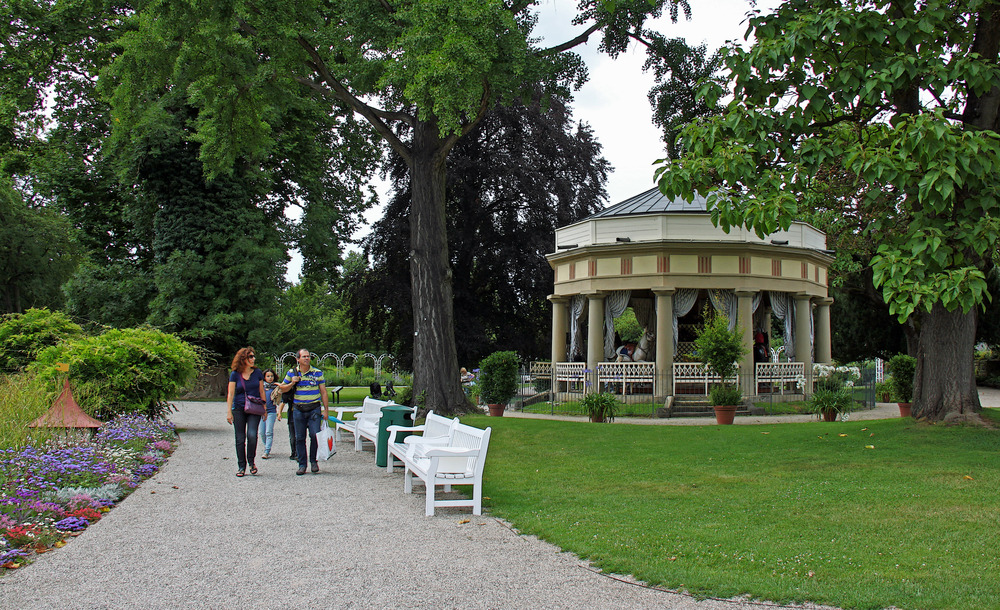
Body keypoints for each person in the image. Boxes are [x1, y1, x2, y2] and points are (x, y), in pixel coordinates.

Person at [278, 349, 329, 475]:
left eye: (308, 356)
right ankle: (302, 464)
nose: (306, 358)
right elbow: (282, 388)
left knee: (314, 435)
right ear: (298, 359)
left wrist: (326, 410)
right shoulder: (292, 373)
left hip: (314, 408)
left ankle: (313, 461)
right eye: (304, 356)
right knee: (299, 437)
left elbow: (323, 391)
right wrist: (292, 382)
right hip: (299, 408)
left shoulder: (317, 373)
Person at [226, 347, 266, 477]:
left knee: (252, 435)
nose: (253, 359)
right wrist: (229, 412)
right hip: (239, 408)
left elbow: (261, 391)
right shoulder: (235, 374)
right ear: (243, 359)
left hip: (254, 408)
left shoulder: (257, 373)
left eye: (254, 356)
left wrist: (264, 408)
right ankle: (241, 466)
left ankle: (251, 462)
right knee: (240, 438)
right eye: (250, 356)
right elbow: (231, 393)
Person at [258, 369, 279, 459]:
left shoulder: (276, 387)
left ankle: (267, 450)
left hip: (271, 412)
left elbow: (280, 400)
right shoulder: (261, 386)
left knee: (268, 431)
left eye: (271, 376)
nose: (270, 378)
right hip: (262, 411)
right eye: (268, 376)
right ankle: (266, 445)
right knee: (262, 432)